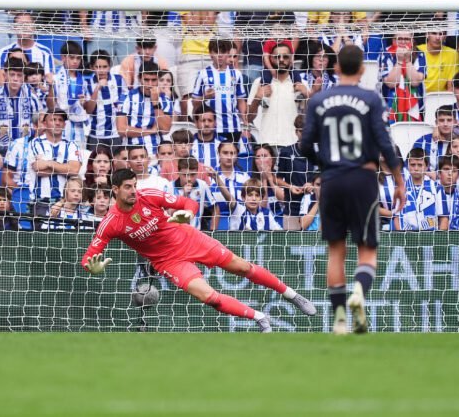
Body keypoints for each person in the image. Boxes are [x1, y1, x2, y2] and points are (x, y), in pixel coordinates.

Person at [81, 168, 317, 332]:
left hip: (190, 239)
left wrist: (189, 213)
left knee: (242, 267)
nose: (134, 191)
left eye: (135, 185)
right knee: (209, 297)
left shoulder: (149, 196)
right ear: (115, 189)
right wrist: (94, 267)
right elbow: (89, 258)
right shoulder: (111, 223)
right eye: (128, 187)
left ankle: (292, 295)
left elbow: (187, 203)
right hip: (169, 262)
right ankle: (259, 317)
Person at [297, 45, 405, 335]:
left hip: (331, 180)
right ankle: (359, 291)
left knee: (336, 251)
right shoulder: (370, 98)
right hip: (364, 178)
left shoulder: (318, 100)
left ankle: (340, 319)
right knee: (367, 251)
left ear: (335, 68)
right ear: (361, 70)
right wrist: (399, 182)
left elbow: (304, 145)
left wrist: (324, 164)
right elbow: (385, 143)